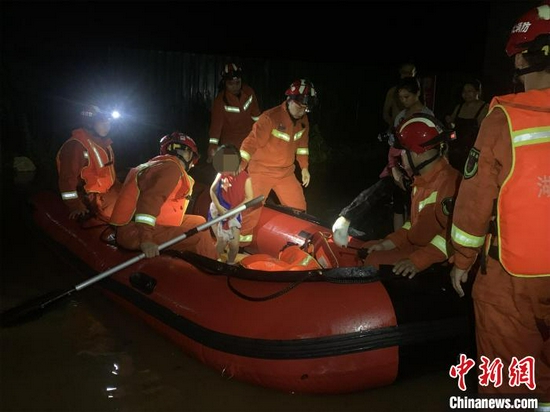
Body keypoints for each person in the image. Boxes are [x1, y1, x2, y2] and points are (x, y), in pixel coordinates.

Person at [449, 3, 549, 406]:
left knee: (512, 385)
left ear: (524, 57)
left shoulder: (503, 118)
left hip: (511, 279)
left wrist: (461, 260)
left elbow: (474, 205)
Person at [360, 113, 461, 279]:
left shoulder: (448, 183)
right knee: (369, 248)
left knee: (374, 261)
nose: (399, 156)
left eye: (403, 151)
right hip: (417, 247)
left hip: (435, 260)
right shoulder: (421, 180)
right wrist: (388, 243)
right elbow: (413, 224)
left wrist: (418, 261)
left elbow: (454, 234)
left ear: (418, 153)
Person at [110, 132, 217, 259]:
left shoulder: (161, 164)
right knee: (199, 237)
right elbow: (149, 202)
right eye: (191, 155)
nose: (193, 162)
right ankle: (214, 268)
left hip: (144, 225)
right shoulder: (171, 169)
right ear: (184, 152)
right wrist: (146, 240)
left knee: (199, 221)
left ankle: (206, 254)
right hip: (134, 231)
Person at [238, 78, 317, 246]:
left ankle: (296, 244)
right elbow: (251, 142)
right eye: (300, 106)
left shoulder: (304, 121)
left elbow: (303, 147)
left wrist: (304, 168)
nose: (302, 111)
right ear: (290, 100)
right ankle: (239, 244)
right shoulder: (270, 118)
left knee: (299, 207)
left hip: (285, 173)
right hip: (261, 170)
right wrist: (241, 163)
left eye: (306, 108)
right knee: (252, 207)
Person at [56, 104, 122, 221]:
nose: (107, 126)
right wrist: (76, 206)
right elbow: (67, 179)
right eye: (102, 122)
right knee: (121, 216)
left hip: (108, 193)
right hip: (92, 200)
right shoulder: (76, 146)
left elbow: (108, 172)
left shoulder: (104, 143)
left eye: (108, 123)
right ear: (90, 124)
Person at [207, 63, 261, 163]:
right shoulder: (220, 101)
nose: (235, 87)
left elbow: (256, 115)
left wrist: (262, 134)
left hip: (249, 140)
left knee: (251, 172)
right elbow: (216, 127)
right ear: (225, 83)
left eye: (237, 82)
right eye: (231, 84)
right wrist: (212, 147)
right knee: (229, 173)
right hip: (230, 144)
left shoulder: (249, 92)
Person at [208, 144, 253, 264]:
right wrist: (218, 207)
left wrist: (234, 211)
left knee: (234, 246)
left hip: (234, 212)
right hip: (219, 210)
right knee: (222, 241)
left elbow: (250, 198)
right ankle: (212, 262)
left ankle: (230, 264)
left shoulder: (245, 178)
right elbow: (212, 190)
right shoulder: (221, 174)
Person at [444, 79, 489, 171]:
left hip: (474, 152)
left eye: (470, 91)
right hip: (456, 150)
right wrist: (449, 122)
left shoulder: (485, 107)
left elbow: (485, 131)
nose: (466, 94)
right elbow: (453, 127)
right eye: (464, 91)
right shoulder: (459, 107)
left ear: (478, 92)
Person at [382, 62, 417, 130]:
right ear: (400, 73)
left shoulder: (418, 92)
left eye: (409, 73)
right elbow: (385, 113)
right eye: (404, 72)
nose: (407, 76)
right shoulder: (393, 91)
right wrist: (394, 126)